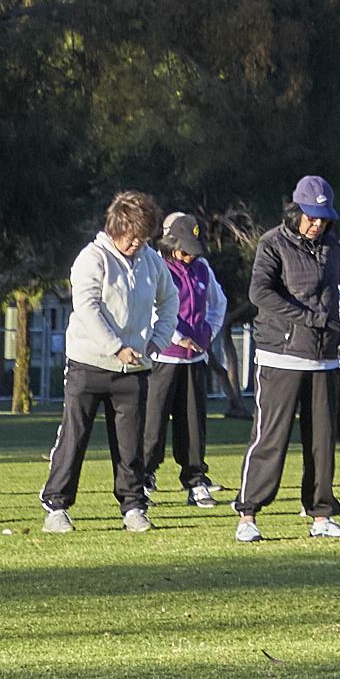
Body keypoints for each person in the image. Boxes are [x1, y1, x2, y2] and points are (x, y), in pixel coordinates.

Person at [41, 190, 176, 534]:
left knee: (131, 445)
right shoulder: (92, 258)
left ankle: (133, 507)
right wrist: (115, 347)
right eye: (132, 236)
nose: (137, 243)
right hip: (88, 365)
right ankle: (56, 507)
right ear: (116, 228)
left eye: (143, 237)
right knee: (75, 437)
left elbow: (170, 299)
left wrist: (157, 342)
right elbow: (87, 307)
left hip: (134, 369)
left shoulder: (151, 260)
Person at [236, 174, 340, 543]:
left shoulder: (333, 246)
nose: (316, 223)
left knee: (322, 442)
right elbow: (260, 292)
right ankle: (248, 515)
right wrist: (310, 319)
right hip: (281, 356)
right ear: (295, 211)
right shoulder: (272, 243)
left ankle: (321, 514)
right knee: (270, 439)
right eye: (309, 215)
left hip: (324, 359)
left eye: (323, 217)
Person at [148, 214, 227, 508]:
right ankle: (144, 479)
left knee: (193, 424)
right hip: (162, 358)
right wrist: (176, 336)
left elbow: (218, 304)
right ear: (170, 244)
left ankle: (195, 481)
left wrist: (208, 334)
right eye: (185, 249)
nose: (190, 255)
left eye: (194, 249)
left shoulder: (202, 268)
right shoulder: (155, 267)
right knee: (153, 425)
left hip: (195, 360)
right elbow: (152, 308)